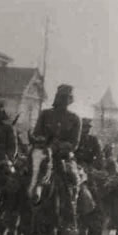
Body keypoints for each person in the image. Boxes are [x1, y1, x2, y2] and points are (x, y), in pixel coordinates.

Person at [32, 84, 82, 222]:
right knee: (24, 172)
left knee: (72, 179)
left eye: (66, 98)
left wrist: (58, 147)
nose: (63, 100)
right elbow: (37, 133)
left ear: (70, 100)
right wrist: (43, 143)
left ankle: (70, 215)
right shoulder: (45, 114)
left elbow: (74, 143)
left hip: (63, 158)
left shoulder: (75, 119)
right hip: (43, 155)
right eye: (61, 97)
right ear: (57, 98)